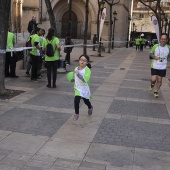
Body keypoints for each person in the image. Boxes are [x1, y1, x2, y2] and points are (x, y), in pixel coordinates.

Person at [72, 54, 93, 121]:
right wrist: (72, 79)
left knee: (86, 101)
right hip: (77, 88)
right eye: (81, 59)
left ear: (87, 62)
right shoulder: (76, 68)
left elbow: (85, 79)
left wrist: (78, 74)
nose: (82, 61)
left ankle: (90, 107)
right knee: (76, 100)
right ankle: (76, 114)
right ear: (79, 60)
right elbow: (74, 77)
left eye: (84, 60)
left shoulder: (87, 70)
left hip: (84, 89)